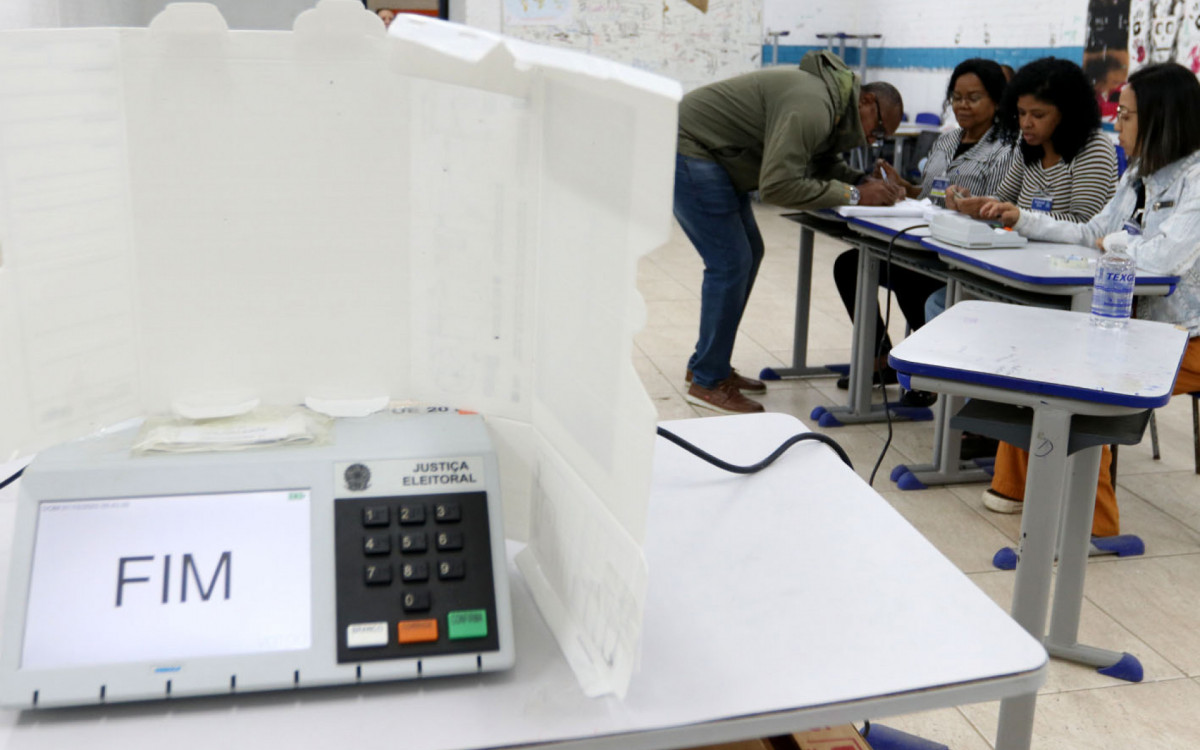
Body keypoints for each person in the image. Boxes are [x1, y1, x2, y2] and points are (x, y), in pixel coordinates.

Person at [975, 61, 1200, 537]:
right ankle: (1015, 485)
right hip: (1131, 322)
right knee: (1041, 354)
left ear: (1162, 119)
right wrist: (1024, 219)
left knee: (1085, 384)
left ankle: (1092, 528)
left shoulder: (1196, 179)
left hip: (1186, 337)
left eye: (1127, 115)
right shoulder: (1141, 172)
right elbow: (1097, 230)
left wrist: (1113, 245)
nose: (1116, 124)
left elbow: (1166, 259)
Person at [675, 51, 905, 414]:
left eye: (879, 140)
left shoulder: (833, 103)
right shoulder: (814, 105)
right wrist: (858, 194)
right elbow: (777, 186)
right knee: (730, 262)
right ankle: (707, 380)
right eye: (876, 130)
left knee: (749, 252)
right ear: (866, 100)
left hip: (716, 155)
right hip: (692, 148)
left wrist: (862, 180)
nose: (869, 141)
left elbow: (821, 161)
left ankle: (706, 364)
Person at [831, 58, 1015, 402]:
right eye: (956, 97)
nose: (962, 105)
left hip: (963, 256)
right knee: (851, 265)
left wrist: (968, 206)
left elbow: (999, 209)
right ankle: (882, 358)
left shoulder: (1007, 149)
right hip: (925, 240)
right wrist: (905, 186)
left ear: (997, 101)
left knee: (912, 281)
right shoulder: (946, 142)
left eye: (973, 98)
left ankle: (928, 371)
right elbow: (930, 192)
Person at [927, 57, 1120, 322]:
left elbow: (1086, 226)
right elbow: (1004, 200)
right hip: (1019, 267)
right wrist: (977, 203)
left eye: (1038, 115)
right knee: (941, 303)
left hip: (1065, 282)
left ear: (1067, 113)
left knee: (947, 308)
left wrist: (1018, 217)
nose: (1026, 123)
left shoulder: (1093, 148)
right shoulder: (1028, 145)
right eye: (1021, 113)